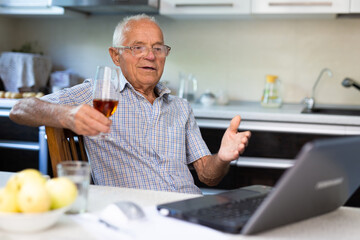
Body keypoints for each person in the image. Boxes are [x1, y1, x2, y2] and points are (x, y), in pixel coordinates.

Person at [9, 14, 251, 194]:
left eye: (158, 48)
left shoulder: (180, 108)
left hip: (188, 211)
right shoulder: (99, 94)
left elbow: (208, 177)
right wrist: (67, 115)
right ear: (116, 56)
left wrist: (222, 157)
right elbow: (19, 109)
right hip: (134, 218)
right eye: (138, 47)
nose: (150, 56)